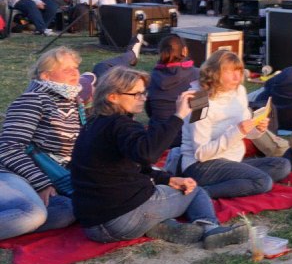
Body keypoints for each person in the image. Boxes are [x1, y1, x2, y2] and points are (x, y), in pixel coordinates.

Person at [71, 68, 250, 248]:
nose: (143, 97)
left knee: (165, 189)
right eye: (136, 94)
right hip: (122, 218)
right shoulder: (121, 125)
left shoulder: (92, 125)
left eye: (143, 92)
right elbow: (148, 154)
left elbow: (130, 167)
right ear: (113, 97)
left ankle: (160, 225)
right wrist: (179, 115)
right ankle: (210, 228)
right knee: (195, 191)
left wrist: (168, 179)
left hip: (92, 225)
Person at [180, 50, 291, 199]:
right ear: (214, 73)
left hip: (232, 159)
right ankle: (199, 194)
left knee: (283, 165)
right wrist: (237, 131)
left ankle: (235, 181)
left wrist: (257, 129)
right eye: (230, 72)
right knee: (263, 182)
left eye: (239, 71)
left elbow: (245, 128)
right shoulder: (199, 101)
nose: (237, 77)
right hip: (201, 165)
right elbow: (201, 153)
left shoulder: (239, 91)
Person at [0, 48, 82, 239]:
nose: (74, 72)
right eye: (66, 69)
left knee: (67, 212)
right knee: (33, 215)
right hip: (10, 173)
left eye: (75, 67)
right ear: (46, 76)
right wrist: (41, 183)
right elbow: (8, 148)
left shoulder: (72, 102)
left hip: (50, 175)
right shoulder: (32, 100)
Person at [147, 35, 201, 150]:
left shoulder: (151, 77)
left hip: (157, 137)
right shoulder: (198, 75)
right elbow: (201, 114)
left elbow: (150, 110)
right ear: (185, 51)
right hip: (185, 139)